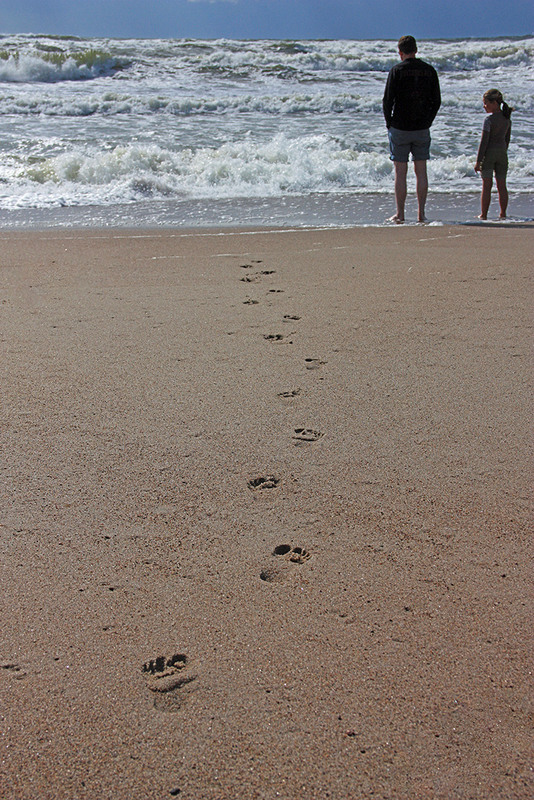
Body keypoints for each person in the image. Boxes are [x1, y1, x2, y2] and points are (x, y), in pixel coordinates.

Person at [383, 35, 441, 223]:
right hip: (421, 126)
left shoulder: (397, 70)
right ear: (416, 50)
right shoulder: (429, 70)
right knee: (421, 171)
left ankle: (400, 214)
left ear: (400, 52)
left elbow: (387, 100)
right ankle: (421, 213)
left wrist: (389, 123)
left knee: (400, 173)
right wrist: (428, 120)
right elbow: (436, 100)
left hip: (400, 126)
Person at [474, 89, 514, 220]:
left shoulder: (489, 120)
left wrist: (478, 161)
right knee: (502, 185)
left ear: (495, 103)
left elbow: (484, 142)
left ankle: (484, 214)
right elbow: (507, 139)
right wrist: (503, 151)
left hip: (489, 154)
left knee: (487, 186)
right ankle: (503, 213)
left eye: (486, 103)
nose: (484, 106)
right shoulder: (507, 119)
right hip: (502, 154)